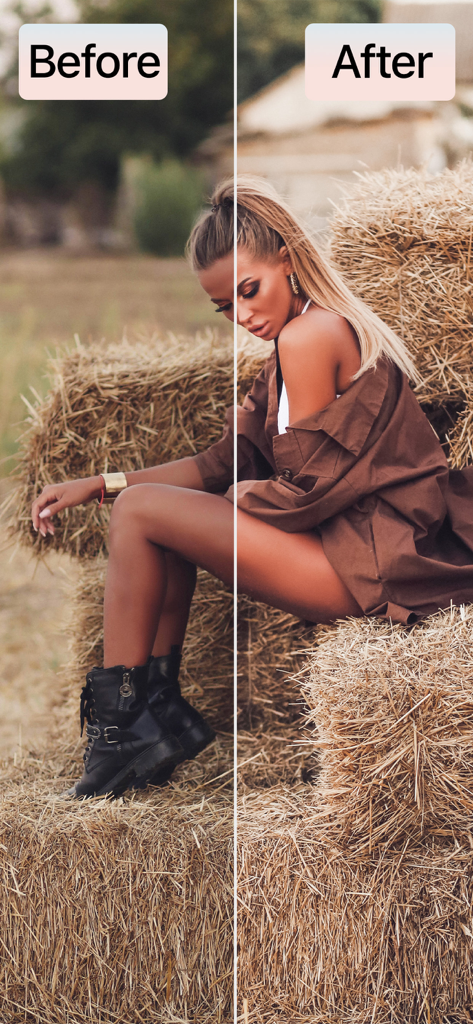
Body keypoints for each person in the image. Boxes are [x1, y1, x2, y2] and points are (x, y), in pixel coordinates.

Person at [31, 174, 473, 797]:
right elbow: (222, 463)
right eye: (225, 306)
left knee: (144, 514)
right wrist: (99, 483)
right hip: (351, 553)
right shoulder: (295, 343)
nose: (241, 317)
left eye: (248, 291)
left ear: (287, 261)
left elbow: (308, 492)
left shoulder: (309, 336)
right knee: (149, 512)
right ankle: (156, 708)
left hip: (364, 564)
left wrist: (226, 500)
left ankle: (127, 729)